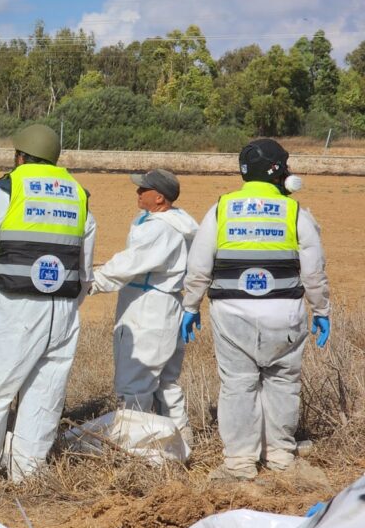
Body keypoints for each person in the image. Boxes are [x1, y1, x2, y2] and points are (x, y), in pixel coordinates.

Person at [0, 125, 96, 486]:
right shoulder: (78, 193)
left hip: (16, 306)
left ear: (19, 156)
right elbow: (85, 262)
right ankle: (29, 475)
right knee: (45, 394)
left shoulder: (12, 186)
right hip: (62, 308)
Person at [182, 139, 330, 481]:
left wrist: (191, 305)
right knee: (283, 384)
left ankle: (239, 463)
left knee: (237, 386)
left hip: (232, 314)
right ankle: (280, 456)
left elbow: (199, 265)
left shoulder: (221, 208)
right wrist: (321, 310)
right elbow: (313, 272)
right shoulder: (296, 213)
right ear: (278, 170)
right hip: (286, 314)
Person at [89, 169, 198, 446]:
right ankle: (181, 441)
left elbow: (131, 262)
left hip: (148, 307)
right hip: (169, 304)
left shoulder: (159, 228)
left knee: (136, 381)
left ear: (159, 198)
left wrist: (94, 282)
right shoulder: (179, 221)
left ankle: (135, 447)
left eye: (143, 189)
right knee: (166, 382)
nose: (138, 193)